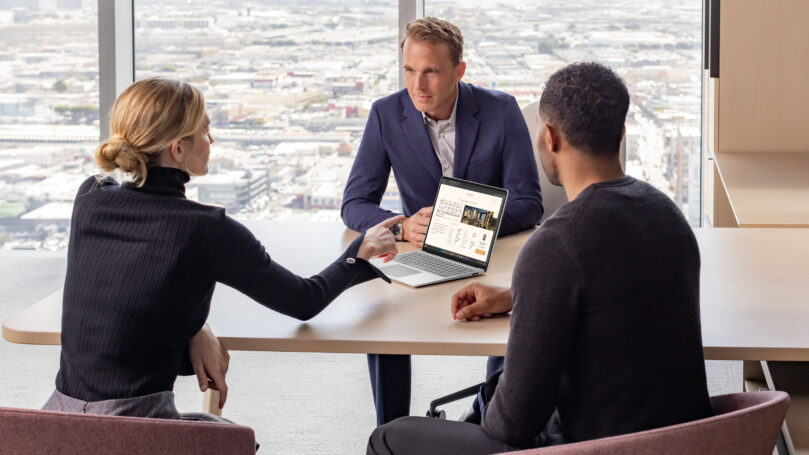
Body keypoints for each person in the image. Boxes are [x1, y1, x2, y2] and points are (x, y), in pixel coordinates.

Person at [366, 62, 714, 454]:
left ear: (549, 138)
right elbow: (615, 291)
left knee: (389, 437)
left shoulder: (557, 243)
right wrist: (520, 294)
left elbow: (512, 425)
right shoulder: (667, 215)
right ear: (620, 133)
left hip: (589, 446)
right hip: (678, 439)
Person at [42, 77, 403, 423]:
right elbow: (303, 300)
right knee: (236, 439)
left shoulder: (90, 196)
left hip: (57, 426)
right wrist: (361, 251)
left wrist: (196, 327)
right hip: (135, 430)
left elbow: (128, 292)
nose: (211, 139)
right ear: (178, 148)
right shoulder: (205, 228)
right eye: (204, 129)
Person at [341, 17, 543, 426]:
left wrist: (465, 224)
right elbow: (355, 202)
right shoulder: (385, 114)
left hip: (492, 256)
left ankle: (494, 419)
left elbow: (529, 202)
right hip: (421, 253)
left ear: (458, 72)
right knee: (383, 319)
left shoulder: (501, 109)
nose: (419, 85)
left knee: (511, 318)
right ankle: (391, 431)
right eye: (410, 70)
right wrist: (400, 227)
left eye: (431, 71)